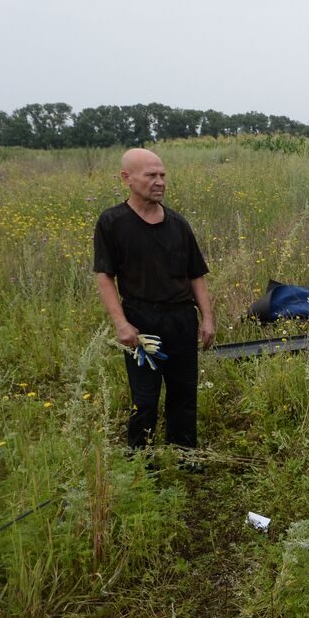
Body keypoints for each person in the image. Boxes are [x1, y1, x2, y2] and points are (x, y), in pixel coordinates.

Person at [93, 148, 216, 450]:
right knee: (145, 400)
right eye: (151, 175)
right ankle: (141, 465)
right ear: (127, 178)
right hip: (142, 324)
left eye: (162, 175)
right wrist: (121, 323)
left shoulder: (178, 224)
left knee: (184, 395)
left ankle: (184, 456)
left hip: (182, 321)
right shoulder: (112, 222)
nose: (159, 181)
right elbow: (104, 276)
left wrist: (207, 318)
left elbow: (195, 275)